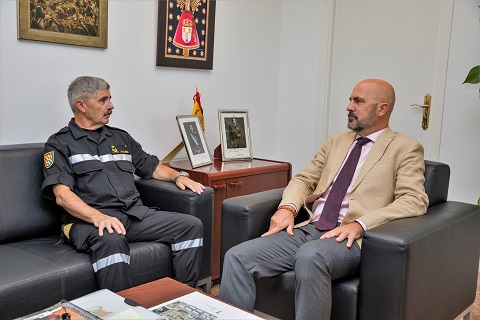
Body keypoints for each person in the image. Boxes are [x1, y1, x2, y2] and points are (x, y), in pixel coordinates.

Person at [218, 79, 429, 319]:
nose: (349, 106)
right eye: (350, 100)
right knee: (237, 257)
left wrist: (360, 225)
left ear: (382, 109)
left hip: (350, 239)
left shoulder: (405, 148)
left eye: (358, 101)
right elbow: (303, 179)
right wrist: (288, 206)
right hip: (309, 229)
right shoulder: (336, 142)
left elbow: (413, 200)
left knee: (311, 256)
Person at [42, 76, 205, 292]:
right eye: (103, 100)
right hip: (88, 221)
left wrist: (178, 176)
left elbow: (151, 166)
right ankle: (120, 310)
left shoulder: (120, 138)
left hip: (133, 215)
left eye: (110, 98)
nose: (111, 106)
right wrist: (98, 217)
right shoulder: (60, 143)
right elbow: (62, 195)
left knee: (190, 225)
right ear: (80, 105)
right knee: (111, 239)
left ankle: (186, 295)